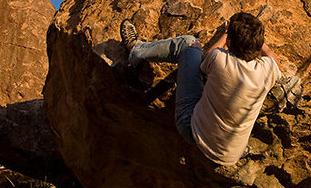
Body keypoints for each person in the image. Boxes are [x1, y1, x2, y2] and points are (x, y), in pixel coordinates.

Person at [120, 12, 281, 166]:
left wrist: (226, 33)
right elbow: (273, 59)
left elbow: (206, 55)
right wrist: (258, 42)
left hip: (191, 129)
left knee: (189, 44)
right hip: (232, 155)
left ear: (230, 42)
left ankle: (136, 50)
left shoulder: (219, 59)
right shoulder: (267, 72)